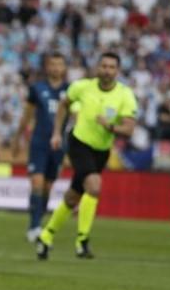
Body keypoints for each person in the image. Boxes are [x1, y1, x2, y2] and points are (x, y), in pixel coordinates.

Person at [36, 52, 137, 259]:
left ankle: (46, 235)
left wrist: (109, 125)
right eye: (104, 66)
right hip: (79, 143)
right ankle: (82, 241)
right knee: (94, 185)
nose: (107, 71)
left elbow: (128, 129)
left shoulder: (125, 95)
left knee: (73, 196)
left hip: (101, 150)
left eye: (111, 67)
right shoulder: (82, 87)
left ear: (117, 71)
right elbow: (64, 104)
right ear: (97, 68)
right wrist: (57, 132)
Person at [12, 53, 69, 242]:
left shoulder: (71, 91)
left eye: (59, 64)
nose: (56, 68)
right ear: (47, 67)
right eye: (52, 64)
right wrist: (18, 138)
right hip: (39, 143)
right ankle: (34, 227)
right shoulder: (37, 89)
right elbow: (27, 115)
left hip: (59, 145)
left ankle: (38, 220)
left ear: (64, 68)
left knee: (47, 186)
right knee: (36, 183)